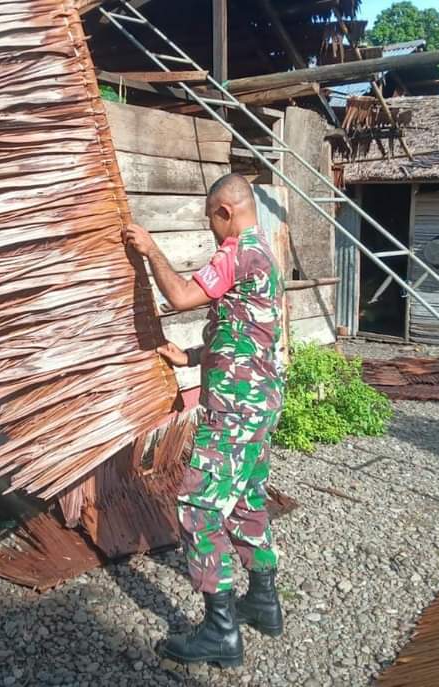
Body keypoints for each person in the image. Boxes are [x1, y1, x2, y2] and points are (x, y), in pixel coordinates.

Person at [122, 173, 285, 668]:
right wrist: (191, 356)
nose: (212, 233)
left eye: (211, 222)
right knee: (247, 502)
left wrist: (151, 251)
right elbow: (246, 331)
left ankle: (220, 634)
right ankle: (262, 603)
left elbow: (181, 297)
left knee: (198, 507)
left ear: (226, 212)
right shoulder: (265, 254)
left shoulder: (238, 252)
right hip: (260, 401)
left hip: (234, 409)